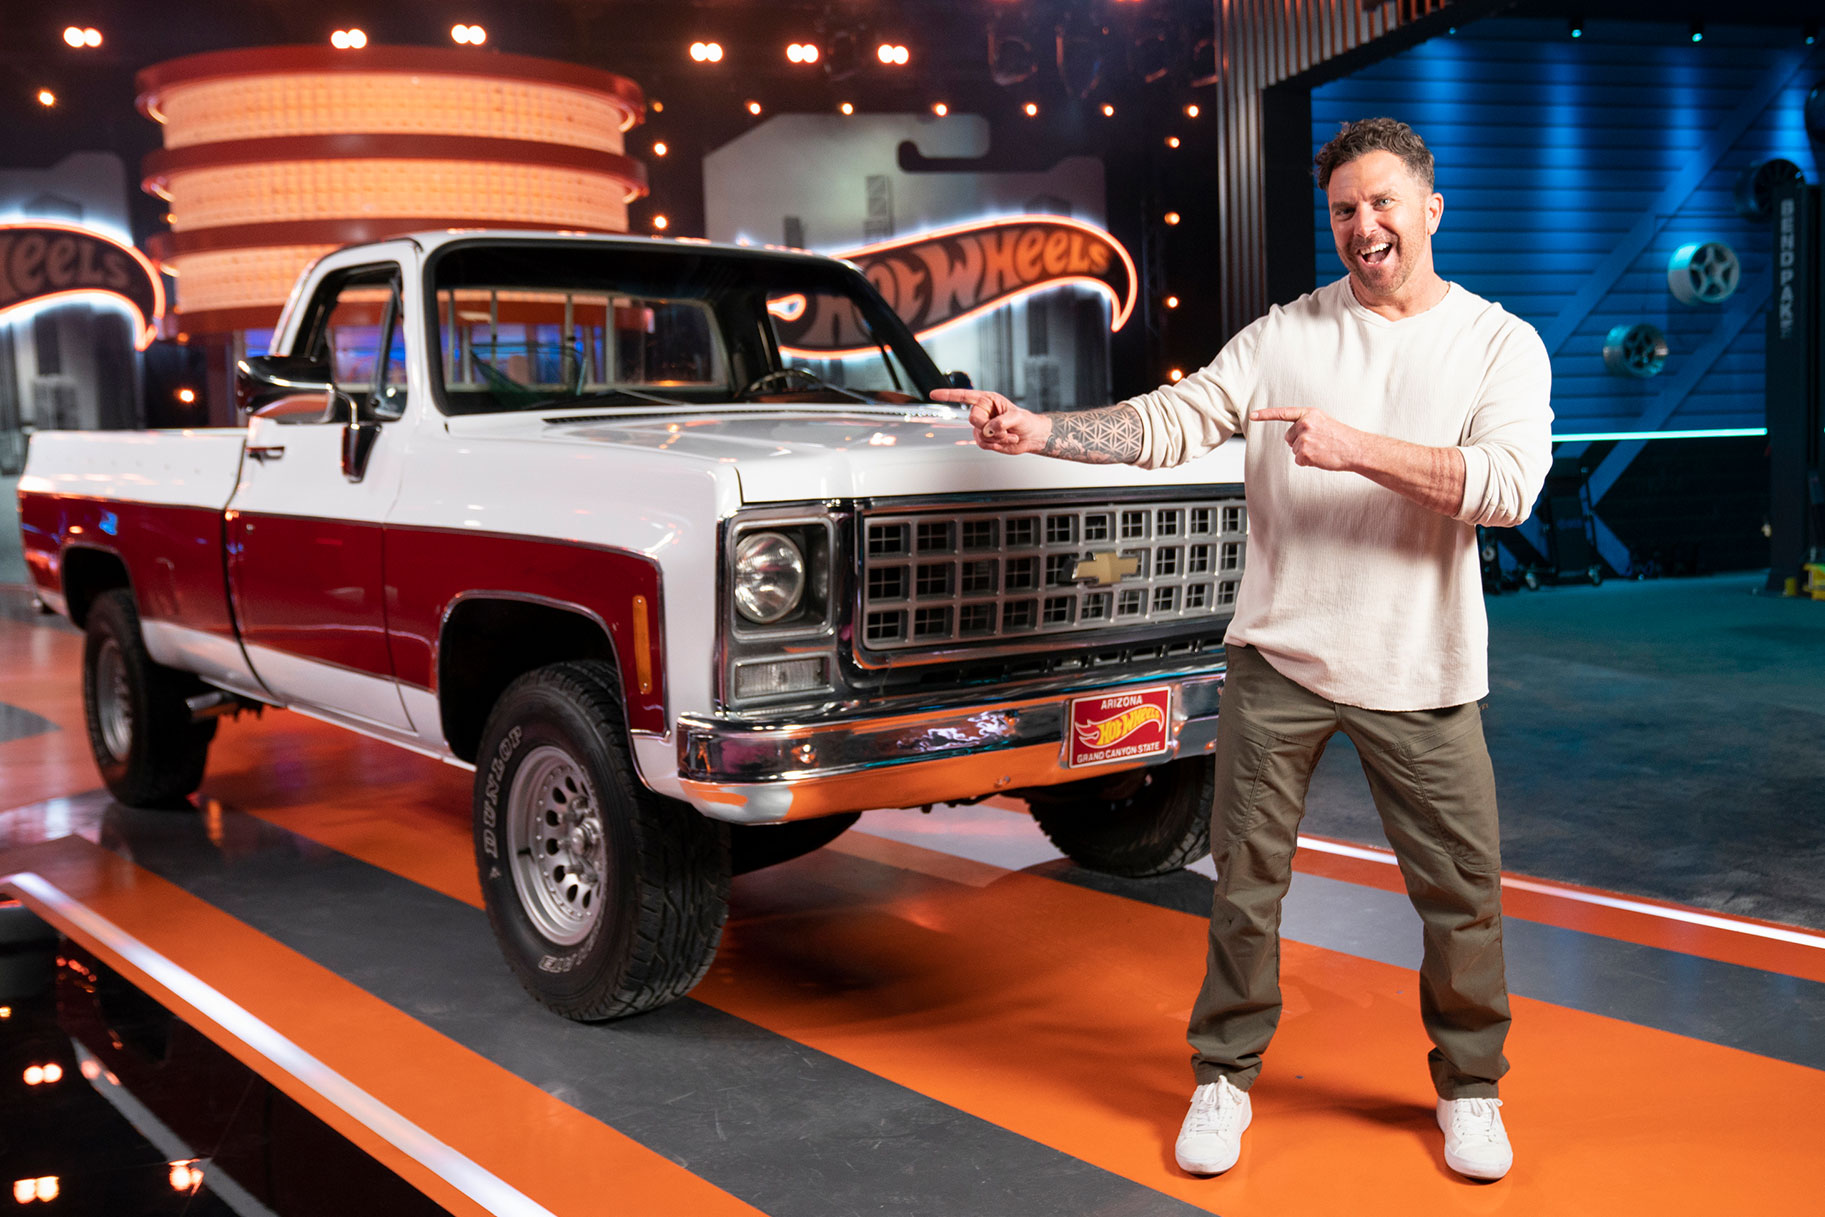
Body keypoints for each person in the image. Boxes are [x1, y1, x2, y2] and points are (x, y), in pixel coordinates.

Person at [932, 117, 1552, 1183]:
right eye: (1345, 210)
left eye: (1384, 204)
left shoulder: (1497, 342)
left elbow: (1506, 488)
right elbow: (1174, 418)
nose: (1366, 227)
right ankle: (1222, 1073)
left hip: (1420, 664)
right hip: (1278, 657)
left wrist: (1352, 446)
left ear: (1430, 207)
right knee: (1246, 886)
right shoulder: (1285, 334)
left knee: (1460, 892)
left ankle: (1470, 1085)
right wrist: (1040, 432)